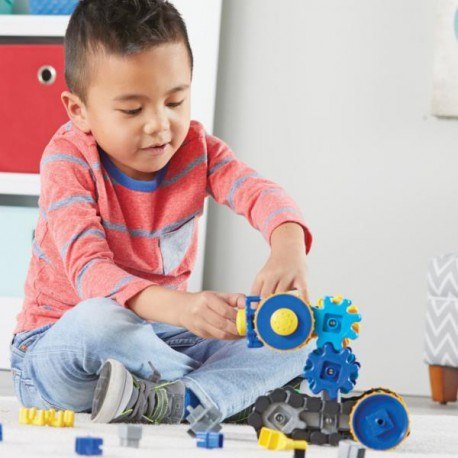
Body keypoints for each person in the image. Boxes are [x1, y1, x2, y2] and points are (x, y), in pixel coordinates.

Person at [10, 0, 313, 425]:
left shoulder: (197, 151)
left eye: (175, 101)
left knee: (299, 342)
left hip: (163, 341)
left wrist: (287, 247)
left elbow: (258, 193)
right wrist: (184, 308)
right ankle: (218, 392)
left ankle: (176, 399)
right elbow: (90, 273)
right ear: (79, 111)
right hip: (60, 350)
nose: (159, 124)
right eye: (133, 110)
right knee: (100, 320)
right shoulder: (68, 160)